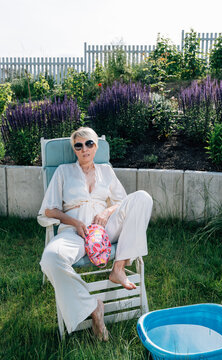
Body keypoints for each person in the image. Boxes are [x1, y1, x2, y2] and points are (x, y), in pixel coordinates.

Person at [39, 126, 153, 341]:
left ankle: (118, 268)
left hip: (105, 230)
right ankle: (93, 307)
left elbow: (122, 201)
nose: (84, 149)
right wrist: (73, 221)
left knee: (143, 198)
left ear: (96, 146)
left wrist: (107, 211)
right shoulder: (63, 171)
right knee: (51, 259)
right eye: (79, 145)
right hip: (75, 232)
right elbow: (49, 210)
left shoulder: (106, 171)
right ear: (74, 150)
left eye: (89, 143)